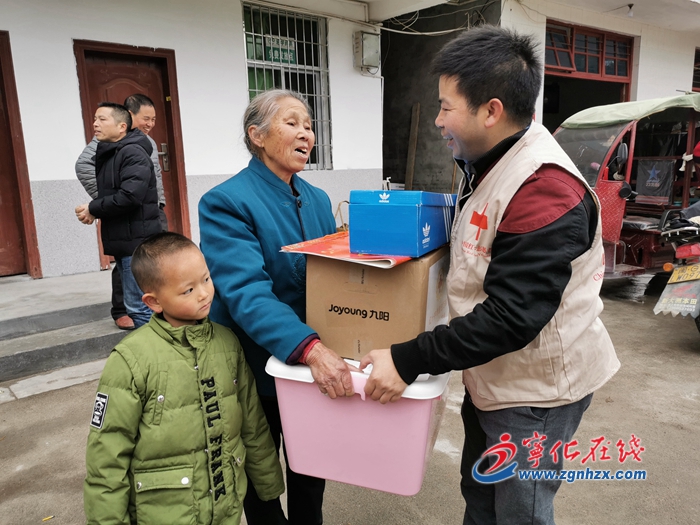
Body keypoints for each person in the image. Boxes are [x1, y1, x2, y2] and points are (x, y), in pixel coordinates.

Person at [360, 26, 620, 525]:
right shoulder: (488, 162)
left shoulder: (544, 188)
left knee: (520, 511)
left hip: (535, 394)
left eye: (445, 107)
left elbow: (510, 316)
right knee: (481, 496)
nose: (438, 120)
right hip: (494, 378)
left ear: (491, 111)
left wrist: (407, 359)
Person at [198, 89, 354, 525]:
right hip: (255, 365)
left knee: (311, 470)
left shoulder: (317, 199)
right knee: (260, 476)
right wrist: (310, 348)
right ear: (258, 135)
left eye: (309, 125)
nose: (306, 133)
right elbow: (246, 291)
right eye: (292, 123)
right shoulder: (226, 202)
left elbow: (332, 280)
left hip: (310, 366)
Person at [84, 232, 284, 525]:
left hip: (225, 508)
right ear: (153, 302)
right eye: (188, 290)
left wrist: (268, 484)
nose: (204, 293)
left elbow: (252, 423)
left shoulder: (227, 343)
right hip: (163, 513)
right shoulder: (131, 359)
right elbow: (107, 454)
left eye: (206, 279)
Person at [75, 93, 167, 330]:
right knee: (136, 294)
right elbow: (121, 190)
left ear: (122, 124)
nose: (95, 124)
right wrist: (104, 201)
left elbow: (131, 195)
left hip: (136, 226)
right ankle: (127, 317)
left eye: (102, 119)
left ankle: (153, 346)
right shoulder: (108, 147)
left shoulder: (132, 149)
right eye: (95, 119)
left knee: (141, 300)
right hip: (126, 226)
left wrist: (97, 206)